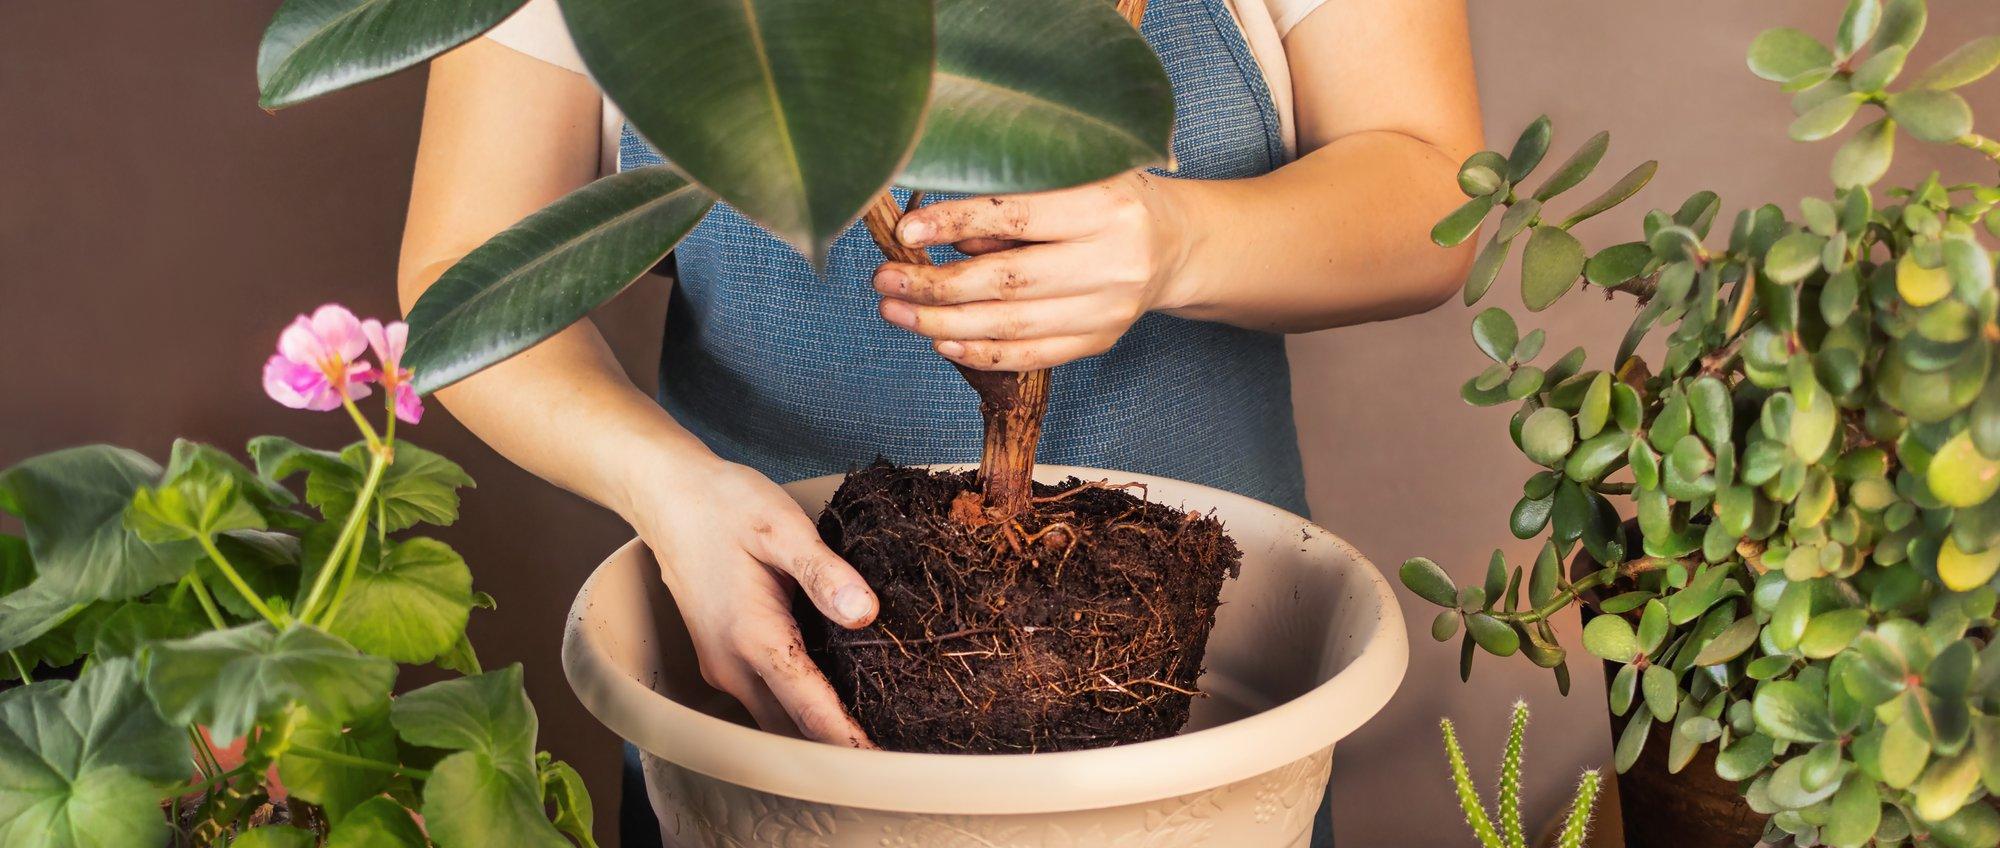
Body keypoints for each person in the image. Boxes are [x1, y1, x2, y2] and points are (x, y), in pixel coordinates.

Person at [400, 0, 1481, 753]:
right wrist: (664, 488)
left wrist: (1182, 241)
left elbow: (1435, 186)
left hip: (1202, 705)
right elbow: (468, 275)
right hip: (762, 676)